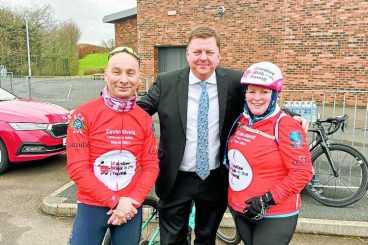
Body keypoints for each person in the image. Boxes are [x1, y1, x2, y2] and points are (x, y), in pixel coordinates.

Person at [138, 27, 308, 244]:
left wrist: (293, 116)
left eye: (209, 52)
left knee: (206, 238)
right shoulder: (166, 82)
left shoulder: (235, 82)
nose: (203, 58)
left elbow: (261, 99)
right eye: (197, 52)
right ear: (187, 54)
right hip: (175, 177)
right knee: (171, 240)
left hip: (214, 179)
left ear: (219, 55)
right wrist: (106, 107)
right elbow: (138, 112)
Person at [66, 46, 159, 245]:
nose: (124, 79)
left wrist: (131, 201)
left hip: (130, 209)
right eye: (116, 72)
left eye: (130, 73)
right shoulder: (82, 115)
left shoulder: (143, 119)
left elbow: (151, 166)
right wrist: (115, 201)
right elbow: (77, 169)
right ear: (106, 74)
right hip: (93, 206)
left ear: (139, 77)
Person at [226, 61, 313, 245]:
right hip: (242, 209)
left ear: (274, 95)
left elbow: (303, 172)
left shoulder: (288, 126)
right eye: (252, 91)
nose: (256, 98)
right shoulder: (241, 119)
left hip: (275, 214)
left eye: (264, 92)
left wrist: (268, 199)